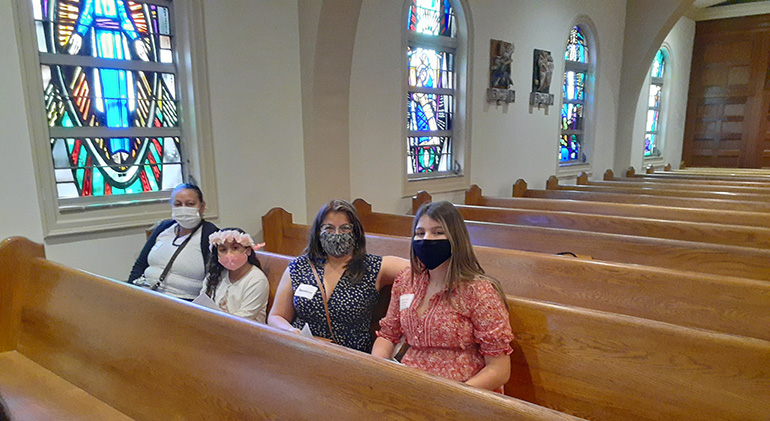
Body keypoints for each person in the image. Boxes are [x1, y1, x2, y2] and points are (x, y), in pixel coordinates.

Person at [371, 201, 514, 393]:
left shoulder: (478, 291)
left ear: (455, 238)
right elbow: (388, 334)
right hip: (410, 384)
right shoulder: (407, 280)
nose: (427, 239)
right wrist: (380, 369)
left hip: (464, 392)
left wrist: (451, 396)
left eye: (438, 233)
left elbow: (499, 370)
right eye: (420, 233)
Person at [268, 199, 408, 352]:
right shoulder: (300, 266)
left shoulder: (373, 266)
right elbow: (276, 316)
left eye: (344, 228)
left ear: (355, 233)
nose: (336, 234)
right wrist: (291, 332)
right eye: (329, 228)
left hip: (349, 357)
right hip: (302, 350)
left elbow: (420, 269)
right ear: (318, 232)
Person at [128, 183, 218, 300]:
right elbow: (140, 264)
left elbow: (215, 278)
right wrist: (128, 293)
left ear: (201, 206)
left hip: (184, 301)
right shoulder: (164, 227)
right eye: (178, 204)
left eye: (190, 204)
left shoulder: (210, 234)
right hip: (147, 294)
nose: (183, 208)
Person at [201, 228, 269, 323]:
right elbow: (202, 304)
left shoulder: (256, 279)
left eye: (235, 248)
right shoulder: (214, 275)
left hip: (245, 332)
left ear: (248, 251)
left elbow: (245, 318)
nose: (229, 254)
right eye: (223, 250)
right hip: (213, 326)